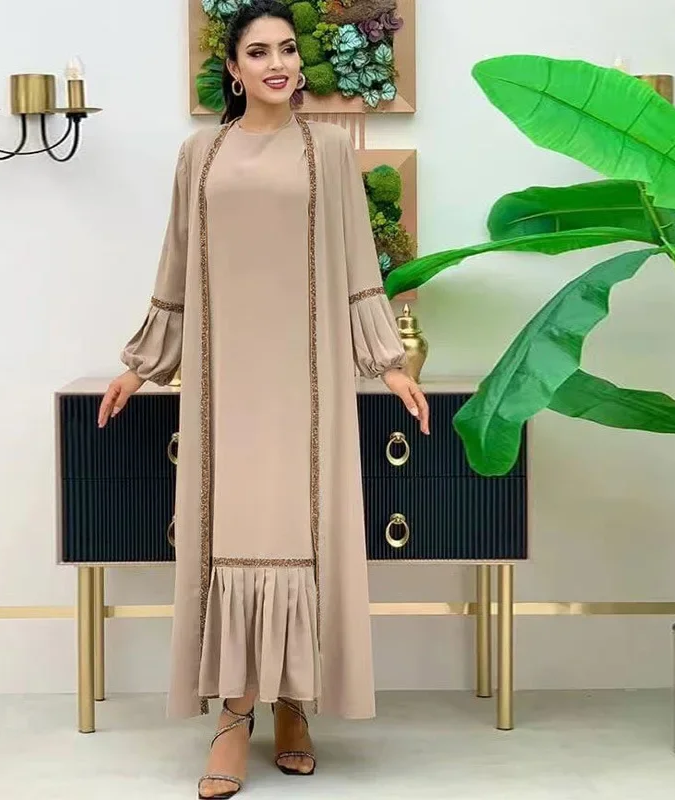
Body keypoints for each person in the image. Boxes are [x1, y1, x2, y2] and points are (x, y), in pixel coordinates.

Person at [98, 1, 430, 796]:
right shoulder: (200, 154)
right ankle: (233, 716)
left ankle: (294, 708)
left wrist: (390, 363)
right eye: (259, 51)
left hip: (308, 382)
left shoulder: (329, 151)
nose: (278, 62)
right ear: (234, 68)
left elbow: (358, 268)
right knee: (232, 534)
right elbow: (177, 265)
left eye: (286, 49)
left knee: (302, 533)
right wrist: (141, 364)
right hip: (224, 383)